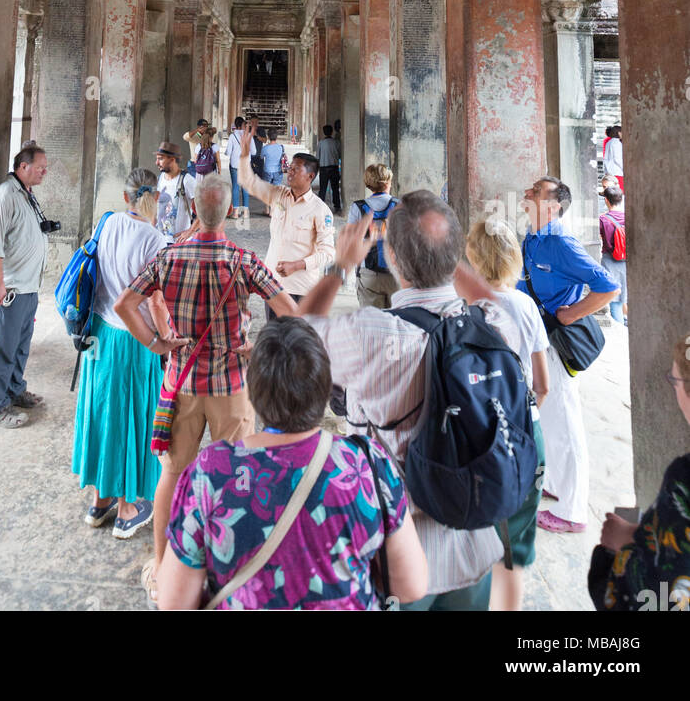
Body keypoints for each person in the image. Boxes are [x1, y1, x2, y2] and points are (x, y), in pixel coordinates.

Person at [299, 190, 522, 611]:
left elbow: (293, 336)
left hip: (395, 550)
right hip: (474, 537)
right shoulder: (495, 325)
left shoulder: (371, 333)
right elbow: (486, 297)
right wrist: (440, 251)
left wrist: (342, 264)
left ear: (393, 261)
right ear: (458, 257)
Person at [114, 171, 298, 605]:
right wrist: (258, 347)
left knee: (173, 474)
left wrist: (156, 342)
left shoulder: (169, 256)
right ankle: (234, 573)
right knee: (240, 478)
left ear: (194, 209)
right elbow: (290, 311)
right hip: (232, 384)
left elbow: (126, 304)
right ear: (230, 210)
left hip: (181, 380)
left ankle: (162, 569)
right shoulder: (243, 260)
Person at [157, 318, 428, 610]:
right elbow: (410, 586)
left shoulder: (210, 472)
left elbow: (174, 603)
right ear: (325, 389)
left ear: (254, 392)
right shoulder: (368, 463)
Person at [72, 169, 186, 539]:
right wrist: (167, 340)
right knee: (131, 417)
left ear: (125, 198)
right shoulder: (153, 239)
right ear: (156, 200)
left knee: (101, 411)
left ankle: (100, 499)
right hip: (133, 339)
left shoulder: (106, 224)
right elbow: (155, 301)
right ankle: (127, 508)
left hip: (98, 333)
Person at [518, 176, 620, 533]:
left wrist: (572, 313)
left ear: (553, 205)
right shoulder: (532, 237)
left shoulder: (561, 242)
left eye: (535, 192)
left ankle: (573, 512)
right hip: (538, 339)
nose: (527, 193)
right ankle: (556, 486)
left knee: (566, 422)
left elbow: (608, 287)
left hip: (559, 344)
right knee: (550, 422)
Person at [465, 215, 550, 612]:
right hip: (524, 432)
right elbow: (542, 384)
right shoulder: (526, 305)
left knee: (474, 538)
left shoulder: (461, 306)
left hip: (475, 435)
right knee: (514, 552)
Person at [596, 331, 690, 611]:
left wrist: (621, 544)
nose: (673, 388)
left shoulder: (684, 479)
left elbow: (660, 594)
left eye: (674, 381)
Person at [0, 141, 53, 428]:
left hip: (27, 286)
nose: (44, 172)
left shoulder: (26, 195)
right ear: (23, 167)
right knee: (1, 350)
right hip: (7, 290)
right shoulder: (3, 197)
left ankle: (14, 390)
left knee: (20, 346)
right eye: (40, 168)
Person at [238, 119, 335, 314]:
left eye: (295, 169)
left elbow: (328, 253)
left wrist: (297, 265)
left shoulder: (320, 210)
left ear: (310, 176)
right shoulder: (279, 195)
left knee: (297, 342)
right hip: (274, 285)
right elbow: (249, 182)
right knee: (274, 341)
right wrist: (244, 154)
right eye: (289, 168)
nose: (289, 172)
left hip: (302, 289)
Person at [348, 162, 399, 309]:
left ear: (368, 184)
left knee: (371, 323)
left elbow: (352, 242)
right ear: (388, 182)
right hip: (395, 273)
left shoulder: (357, 207)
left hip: (368, 272)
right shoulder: (399, 205)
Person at [155, 141, 198, 239]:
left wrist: (190, 231)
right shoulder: (160, 178)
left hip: (178, 243)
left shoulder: (187, 180)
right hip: (160, 240)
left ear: (172, 160)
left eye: (160, 159)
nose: (156, 163)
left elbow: (205, 212)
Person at [598, 182, 627, 325]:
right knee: (625, 298)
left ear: (606, 200)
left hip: (610, 261)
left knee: (614, 300)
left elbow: (601, 237)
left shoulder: (603, 219)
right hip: (627, 261)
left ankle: (619, 328)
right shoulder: (628, 216)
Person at [224, 115, 255, 218]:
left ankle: (236, 212)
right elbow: (254, 152)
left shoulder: (232, 136)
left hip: (235, 165)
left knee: (235, 188)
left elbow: (228, 152)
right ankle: (246, 212)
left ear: (235, 125)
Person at [317, 125, 342, 214]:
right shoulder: (336, 143)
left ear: (324, 132)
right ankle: (337, 206)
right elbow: (340, 155)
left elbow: (318, 157)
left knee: (322, 188)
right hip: (334, 168)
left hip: (323, 168)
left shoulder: (320, 143)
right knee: (335, 188)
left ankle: (319, 206)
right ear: (331, 132)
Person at [605, 124, 624, 192]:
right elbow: (617, 158)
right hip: (618, 172)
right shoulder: (617, 142)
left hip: (610, 173)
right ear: (619, 133)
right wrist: (624, 168)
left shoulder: (609, 143)